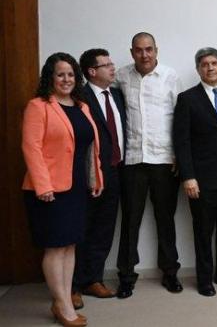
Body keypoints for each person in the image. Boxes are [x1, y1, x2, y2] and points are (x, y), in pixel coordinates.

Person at [22, 52, 103, 327]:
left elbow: (90, 148)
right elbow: (31, 148)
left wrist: (95, 179)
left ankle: (65, 300)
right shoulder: (39, 106)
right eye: (60, 74)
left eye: (70, 74)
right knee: (55, 248)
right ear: (50, 77)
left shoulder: (81, 106)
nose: (66, 79)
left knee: (70, 245)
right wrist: (43, 186)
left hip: (76, 187)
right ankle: (61, 304)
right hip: (50, 190)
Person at [115, 32, 183, 298]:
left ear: (157, 50)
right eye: (139, 50)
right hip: (132, 160)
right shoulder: (120, 76)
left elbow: (180, 118)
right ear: (132, 52)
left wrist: (178, 155)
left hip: (165, 161)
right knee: (130, 221)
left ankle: (170, 273)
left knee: (165, 219)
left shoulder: (170, 76)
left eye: (149, 49)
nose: (145, 55)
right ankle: (126, 277)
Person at [173, 48, 217, 297]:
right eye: (204, 64)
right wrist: (188, 176)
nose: (210, 68)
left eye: (214, 63)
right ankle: (205, 280)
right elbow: (181, 142)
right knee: (203, 232)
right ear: (198, 69)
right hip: (202, 180)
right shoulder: (188, 99)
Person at [72, 49, 127, 308]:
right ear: (92, 71)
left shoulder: (116, 95)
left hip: (115, 171)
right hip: (88, 174)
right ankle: (73, 285)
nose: (112, 68)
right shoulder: (78, 97)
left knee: (104, 229)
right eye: (106, 65)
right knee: (81, 229)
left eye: (111, 63)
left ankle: (93, 278)